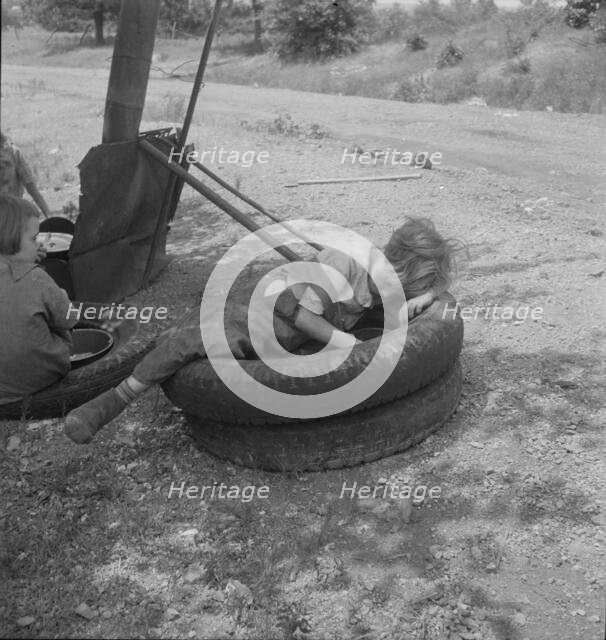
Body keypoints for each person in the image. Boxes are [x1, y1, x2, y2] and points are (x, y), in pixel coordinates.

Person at [64, 217, 459, 444]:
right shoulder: (344, 264)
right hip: (265, 314)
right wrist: (347, 343)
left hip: (293, 331)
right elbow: (304, 318)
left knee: (299, 357)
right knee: (188, 343)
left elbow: (395, 320)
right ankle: (111, 401)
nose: (398, 299)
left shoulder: (380, 281)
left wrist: (421, 302)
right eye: (406, 289)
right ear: (398, 269)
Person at [0, 195, 77, 405]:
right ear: (11, 238)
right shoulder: (36, 277)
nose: (38, 245)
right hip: (41, 376)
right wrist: (62, 297)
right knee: (58, 305)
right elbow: (69, 320)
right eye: (34, 239)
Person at [0, 132, 52, 219]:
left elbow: (30, 185)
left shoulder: (13, 152)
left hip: (12, 215)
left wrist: (49, 215)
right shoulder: (13, 152)